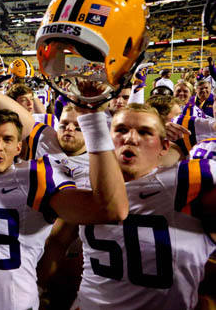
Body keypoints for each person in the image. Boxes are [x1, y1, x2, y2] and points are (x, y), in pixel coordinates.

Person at [0, 108, 128, 310]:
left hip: (15, 303)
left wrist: (94, 123)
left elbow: (110, 210)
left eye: (7, 139)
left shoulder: (36, 177)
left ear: (18, 147)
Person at [45, 104, 216, 309]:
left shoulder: (187, 182)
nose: (130, 138)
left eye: (145, 132)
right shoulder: (89, 182)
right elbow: (56, 243)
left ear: (164, 146)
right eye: (121, 130)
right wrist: (41, 289)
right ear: (108, 138)